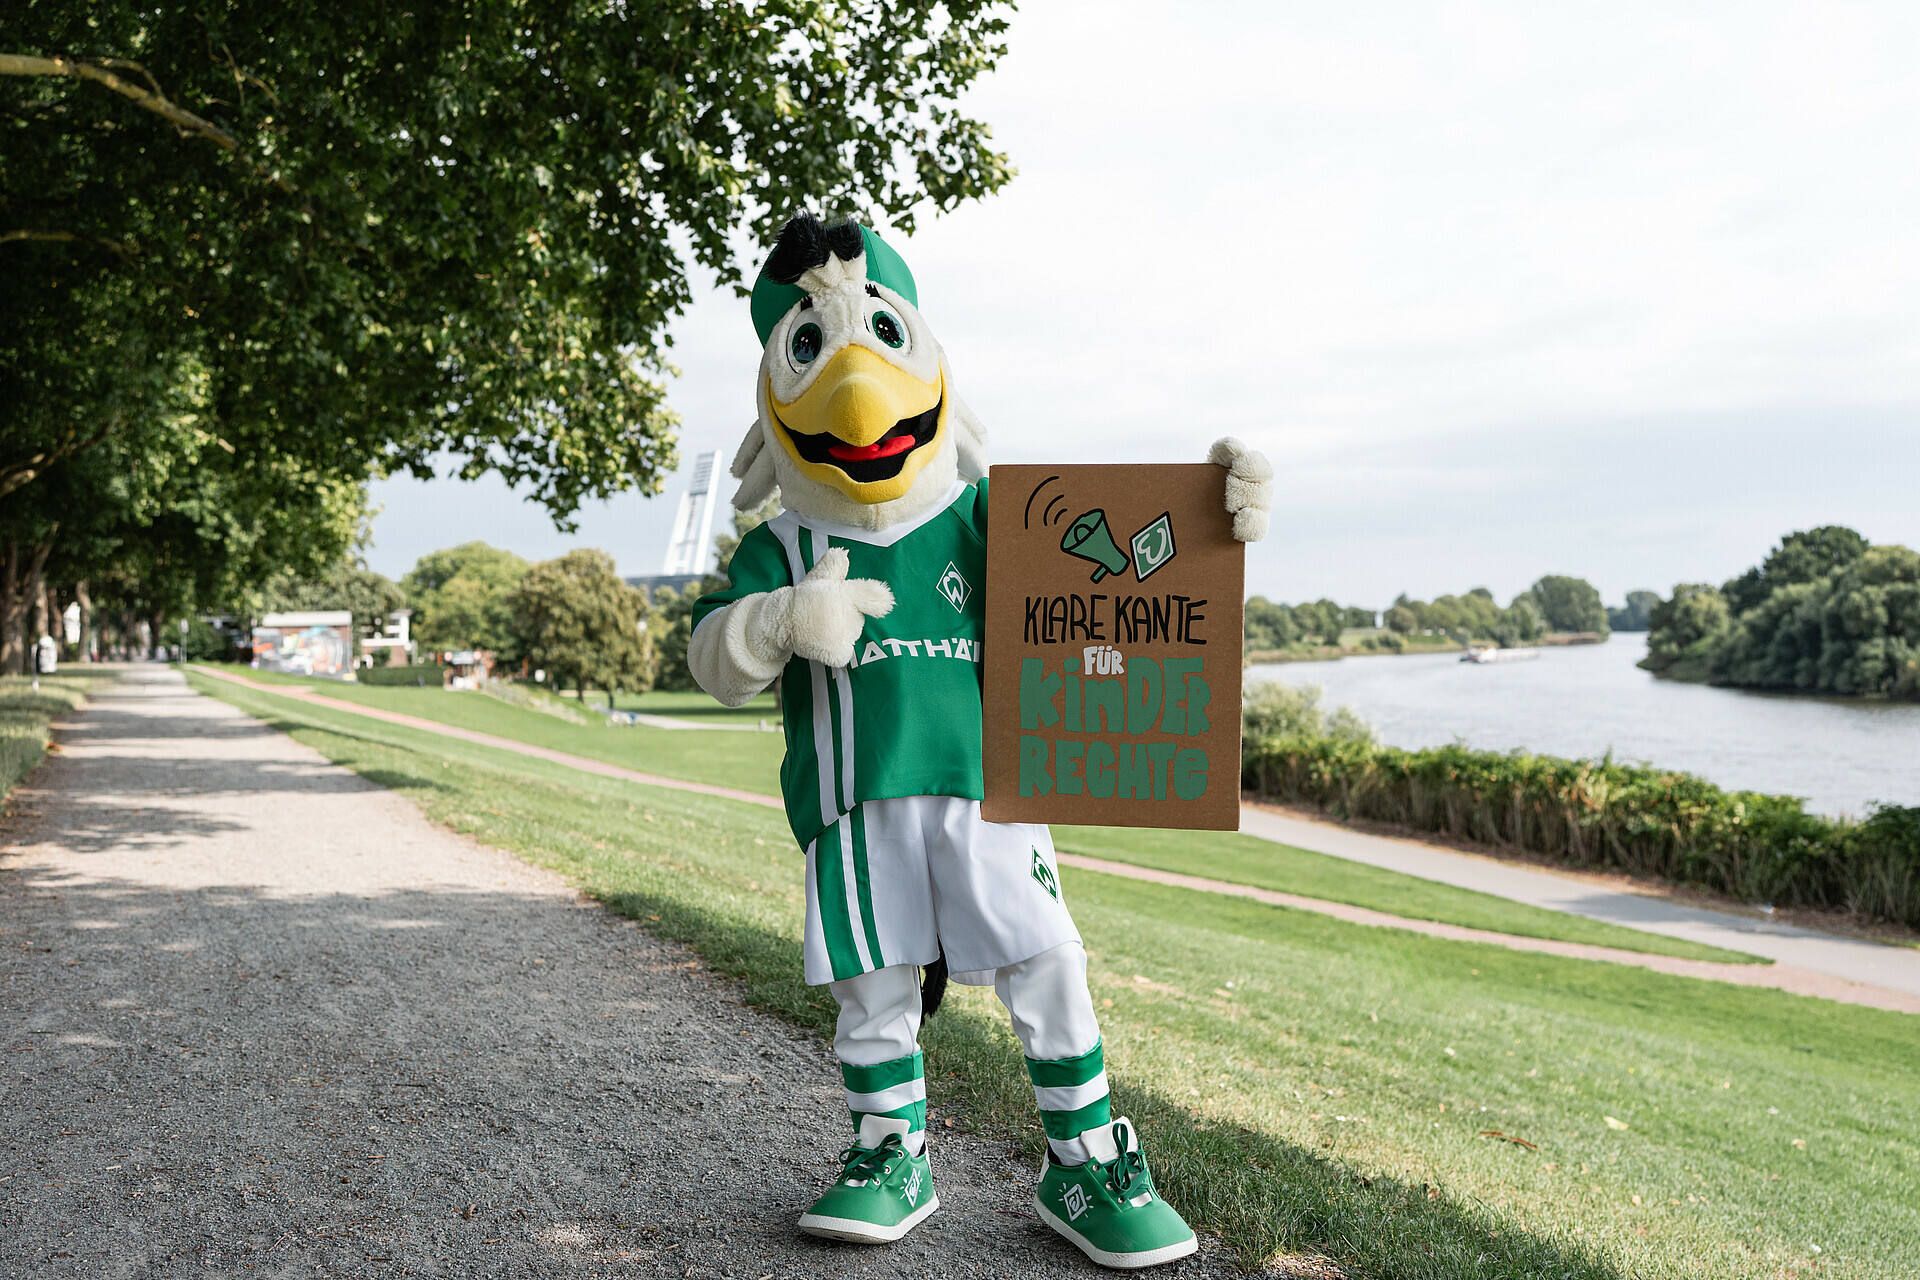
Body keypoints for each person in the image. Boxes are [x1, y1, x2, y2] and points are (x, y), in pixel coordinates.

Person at [688, 213, 1272, 1269]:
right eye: (810, 347)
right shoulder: (782, 543)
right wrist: (774, 621)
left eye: (883, 333)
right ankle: (890, 1151)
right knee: (872, 981)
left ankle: (1086, 1162)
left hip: (994, 789)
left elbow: (1120, 584)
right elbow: (714, 660)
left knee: (1048, 962)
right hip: (854, 801)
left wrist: (1208, 522)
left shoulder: (988, 516)